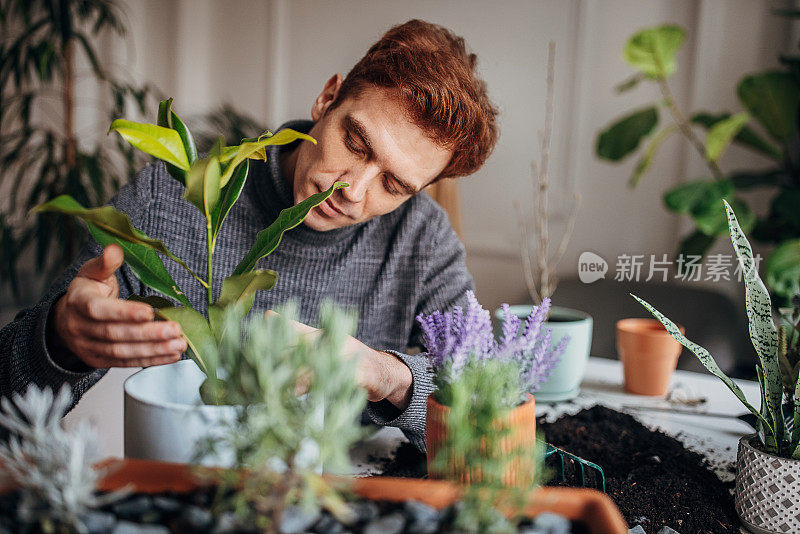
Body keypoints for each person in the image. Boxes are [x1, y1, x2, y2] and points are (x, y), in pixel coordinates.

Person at [0, 19, 498, 452]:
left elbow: (489, 411)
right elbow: (7, 396)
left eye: (393, 184)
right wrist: (60, 339)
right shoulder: (173, 198)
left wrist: (387, 375)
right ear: (328, 98)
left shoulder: (422, 240)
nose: (352, 189)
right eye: (355, 141)